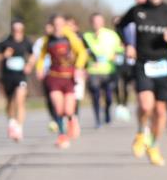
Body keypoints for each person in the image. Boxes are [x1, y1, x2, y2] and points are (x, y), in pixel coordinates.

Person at [117, 0, 167, 166]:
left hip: (163, 64)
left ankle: (154, 145)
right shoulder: (137, 10)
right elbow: (119, 26)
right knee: (146, 105)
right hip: (142, 63)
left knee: (161, 112)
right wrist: (128, 44)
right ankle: (141, 132)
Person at [35, 14, 89, 148]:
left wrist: (78, 67)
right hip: (54, 77)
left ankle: (71, 121)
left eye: (60, 24)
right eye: (55, 24)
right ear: (52, 26)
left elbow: (82, 52)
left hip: (69, 77)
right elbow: (41, 56)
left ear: (64, 25)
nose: (58, 27)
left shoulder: (70, 37)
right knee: (59, 109)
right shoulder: (48, 40)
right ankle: (62, 135)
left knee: (69, 110)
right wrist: (39, 68)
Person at [0, 19, 32, 142]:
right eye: (15, 30)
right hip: (7, 76)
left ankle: (19, 128)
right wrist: (3, 56)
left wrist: (30, 64)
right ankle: (12, 122)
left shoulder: (27, 42)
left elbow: (34, 54)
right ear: (12, 30)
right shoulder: (5, 42)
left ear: (23, 30)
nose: (17, 32)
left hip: (21, 76)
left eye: (20, 30)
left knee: (20, 100)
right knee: (9, 102)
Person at [83, 13, 123, 129]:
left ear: (103, 22)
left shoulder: (112, 35)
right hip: (93, 70)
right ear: (91, 23)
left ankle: (107, 112)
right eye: (94, 22)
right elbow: (82, 53)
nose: (97, 24)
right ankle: (97, 119)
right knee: (95, 94)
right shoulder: (86, 36)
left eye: (99, 21)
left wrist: (115, 56)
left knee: (109, 96)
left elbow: (120, 50)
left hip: (109, 70)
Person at [115, 0, 147, 116]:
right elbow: (119, 26)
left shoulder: (156, 13)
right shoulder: (132, 13)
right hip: (134, 58)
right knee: (140, 91)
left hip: (152, 58)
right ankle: (143, 127)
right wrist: (127, 44)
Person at [32, 21, 59, 133]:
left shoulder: (59, 41)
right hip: (45, 73)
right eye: (46, 28)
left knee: (58, 96)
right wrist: (38, 70)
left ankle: (60, 116)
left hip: (58, 73)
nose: (48, 30)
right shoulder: (40, 42)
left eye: (50, 28)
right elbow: (36, 57)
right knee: (49, 97)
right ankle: (53, 118)